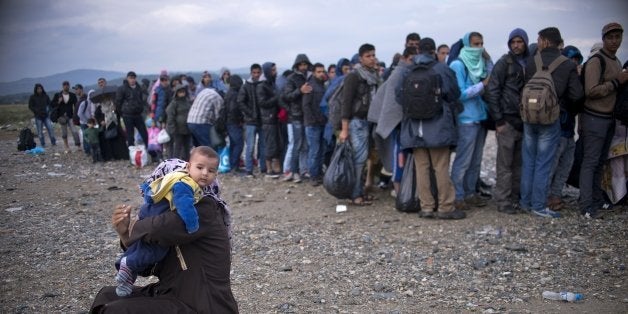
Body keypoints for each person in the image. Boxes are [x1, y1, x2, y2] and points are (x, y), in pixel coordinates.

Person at [90, 150, 238, 313]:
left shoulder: (204, 208)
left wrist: (133, 226)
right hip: (172, 293)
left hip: (203, 305)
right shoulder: (168, 213)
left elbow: (158, 229)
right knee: (106, 296)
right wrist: (124, 234)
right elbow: (147, 267)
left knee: (116, 311)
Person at [114, 147, 214, 296]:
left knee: (147, 248)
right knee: (155, 250)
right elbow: (183, 205)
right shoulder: (186, 186)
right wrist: (193, 225)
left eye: (211, 171)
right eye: (200, 168)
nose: (205, 173)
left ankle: (127, 267)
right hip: (159, 215)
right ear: (188, 167)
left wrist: (131, 231)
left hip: (196, 296)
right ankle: (128, 266)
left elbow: (156, 232)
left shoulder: (204, 204)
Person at [398, 37, 465, 219]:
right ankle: (445, 207)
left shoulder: (408, 70)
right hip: (438, 125)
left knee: (422, 168)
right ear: (434, 51)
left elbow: (399, 96)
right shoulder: (442, 69)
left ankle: (426, 207)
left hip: (414, 128)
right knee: (440, 167)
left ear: (418, 50)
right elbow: (454, 94)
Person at [520, 27, 583, 218]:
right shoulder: (567, 64)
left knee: (529, 161)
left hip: (529, 117)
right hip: (551, 118)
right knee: (543, 163)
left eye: (539, 39)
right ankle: (538, 206)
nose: (537, 43)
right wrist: (561, 105)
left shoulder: (532, 61)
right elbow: (577, 95)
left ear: (546, 41)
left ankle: (525, 202)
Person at [579, 22, 628, 218]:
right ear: (603, 39)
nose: (614, 40)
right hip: (595, 118)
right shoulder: (596, 61)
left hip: (608, 119)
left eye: (618, 37)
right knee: (590, 162)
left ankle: (597, 201)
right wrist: (616, 82)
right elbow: (590, 91)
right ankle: (586, 206)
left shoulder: (615, 61)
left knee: (600, 162)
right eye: (610, 37)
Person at [486, 28, 529, 214]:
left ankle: (515, 198)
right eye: (513, 42)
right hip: (507, 121)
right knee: (505, 164)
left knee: (519, 164)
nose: (516, 45)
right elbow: (492, 91)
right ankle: (503, 201)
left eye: (519, 42)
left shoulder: (530, 63)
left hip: (525, 121)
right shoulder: (504, 62)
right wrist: (499, 120)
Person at [449, 32, 491, 211]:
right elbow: (460, 94)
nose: (479, 47)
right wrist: (482, 85)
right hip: (465, 119)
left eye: (481, 43)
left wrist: (488, 60)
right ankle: (457, 196)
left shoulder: (480, 64)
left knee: (476, 161)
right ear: (466, 44)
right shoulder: (458, 65)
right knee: (463, 160)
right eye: (475, 44)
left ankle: (469, 193)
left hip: (480, 117)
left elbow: (492, 75)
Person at [370, 46, 418, 196]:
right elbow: (391, 102)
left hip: (405, 126)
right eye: (411, 59)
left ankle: (404, 190)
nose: (413, 62)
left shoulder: (408, 73)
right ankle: (399, 191)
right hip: (398, 127)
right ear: (404, 58)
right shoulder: (398, 74)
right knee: (399, 158)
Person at [338, 43, 381, 205]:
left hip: (369, 121)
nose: (372, 59)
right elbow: (346, 103)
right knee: (359, 159)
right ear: (361, 58)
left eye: (373, 55)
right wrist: (344, 128)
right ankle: (355, 195)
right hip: (357, 122)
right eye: (368, 56)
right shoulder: (354, 76)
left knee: (364, 158)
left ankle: (360, 191)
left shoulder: (373, 75)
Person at [547, 45, 584, 211]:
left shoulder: (574, 78)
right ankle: (546, 196)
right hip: (558, 127)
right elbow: (575, 99)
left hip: (569, 129)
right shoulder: (562, 77)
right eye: (572, 59)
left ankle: (555, 195)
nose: (574, 63)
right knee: (552, 165)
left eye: (577, 60)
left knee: (565, 165)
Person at [281, 54, 312, 183]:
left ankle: (303, 170)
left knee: (305, 145)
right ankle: (293, 171)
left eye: (305, 64)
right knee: (297, 144)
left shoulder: (310, 77)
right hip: (296, 116)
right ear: (297, 65)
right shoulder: (292, 78)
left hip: (307, 115)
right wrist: (300, 90)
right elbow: (287, 96)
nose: (304, 67)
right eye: (301, 64)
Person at [238, 64, 266, 177]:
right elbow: (240, 101)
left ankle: (263, 167)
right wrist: (250, 113)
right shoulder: (246, 86)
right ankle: (249, 169)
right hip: (250, 121)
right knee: (250, 146)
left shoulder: (264, 84)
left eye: (258, 73)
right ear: (251, 73)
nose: (256, 75)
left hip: (262, 119)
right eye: (254, 73)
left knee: (263, 145)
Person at [302, 63, 328, 186]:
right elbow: (306, 105)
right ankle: (313, 175)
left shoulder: (322, 85)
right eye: (318, 71)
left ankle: (318, 174)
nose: (321, 73)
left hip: (322, 122)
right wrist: (312, 119)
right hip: (313, 124)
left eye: (322, 71)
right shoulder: (310, 85)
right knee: (314, 150)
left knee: (321, 150)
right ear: (313, 72)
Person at [257, 62, 283, 178]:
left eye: (275, 69)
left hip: (275, 117)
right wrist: (275, 98)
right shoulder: (262, 86)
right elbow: (262, 103)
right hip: (268, 118)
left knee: (276, 143)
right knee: (270, 144)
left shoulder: (272, 84)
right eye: (273, 70)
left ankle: (276, 167)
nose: (275, 72)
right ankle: (269, 168)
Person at [116, 71, 149, 147]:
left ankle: (149, 152)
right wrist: (122, 113)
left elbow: (141, 100)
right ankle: (132, 154)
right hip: (127, 115)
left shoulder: (138, 87)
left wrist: (141, 108)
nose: (132, 80)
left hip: (138, 114)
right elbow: (118, 102)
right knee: (130, 136)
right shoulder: (122, 89)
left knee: (144, 134)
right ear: (127, 78)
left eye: (134, 78)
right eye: (131, 78)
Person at [51, 80, 80, 152]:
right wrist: (58, 102)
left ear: (69, 86)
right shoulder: (57, 95)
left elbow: (76, 105)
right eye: (64, 85)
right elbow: (52, 105)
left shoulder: (72, 95)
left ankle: (78, 145)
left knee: (74, 131)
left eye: (67, 85)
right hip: (61, 116)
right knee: (64, 132)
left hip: (70, 116)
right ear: (62, 86)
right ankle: (66, 146)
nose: (66, 86)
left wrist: (76, 115)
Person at [166, 84, 193, 161]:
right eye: (180, 92)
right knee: (177, 147)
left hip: (187, 129)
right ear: (176, 93)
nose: (182, 93)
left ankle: (187, 162)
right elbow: (170, 116)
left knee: (187, 147)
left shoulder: (187, 102)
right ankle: (175, 163)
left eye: (183, 92)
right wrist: (172, 129)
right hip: (177, 130)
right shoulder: (174, 103)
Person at [225, 75, 245, 173]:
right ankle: (234, 166)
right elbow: (234, 109)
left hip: (229, 121)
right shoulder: (235, 94)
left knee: (233, 144)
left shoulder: (229, 93)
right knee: (239, 144)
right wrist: (240, 119)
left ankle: (233, 165)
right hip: (234, 122)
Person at [77, 89, 96, 155]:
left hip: (91, 123)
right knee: (86, 137)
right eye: (91, 94)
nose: (92, 96)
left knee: (91, 136)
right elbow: (79, 113)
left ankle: (91, 150)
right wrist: (86, 120)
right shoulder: (84, 103)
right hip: (84, 123)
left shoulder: (94, 103)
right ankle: (87, 151)